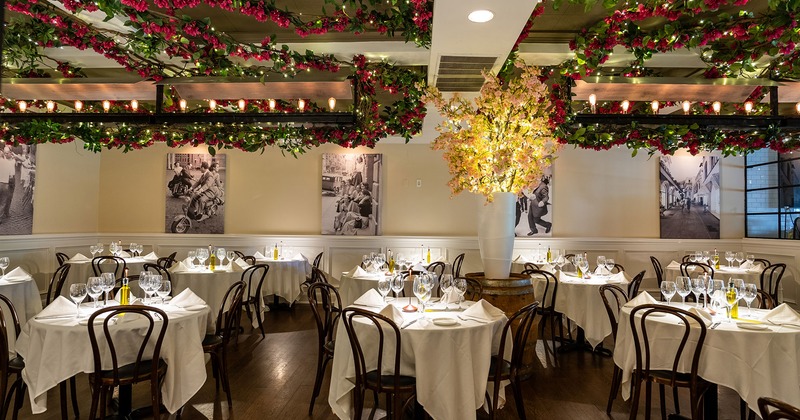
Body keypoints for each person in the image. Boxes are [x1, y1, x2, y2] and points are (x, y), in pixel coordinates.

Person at [0, 146, 15, 222]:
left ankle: (5, 213)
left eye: (7, 153)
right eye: (5, 153)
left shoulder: (5, 161)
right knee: (3, 201)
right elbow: (11, 175)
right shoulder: (7, 162)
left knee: (4, 200)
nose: (5, 154)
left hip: (3, 182)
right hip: (5, 183)